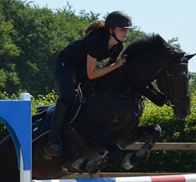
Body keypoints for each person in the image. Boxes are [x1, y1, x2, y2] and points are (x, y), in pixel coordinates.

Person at [44, 11, 133, 159]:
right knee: (68, 97)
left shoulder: (118, 46)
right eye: (122, 29)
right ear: (111, 30)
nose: (125, 32)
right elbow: (92, 74)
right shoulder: (96, 41)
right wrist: (116, 65)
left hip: (82, 66)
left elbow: (108, 70)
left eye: (127, 29)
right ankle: (52, 141)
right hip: (67, 62)